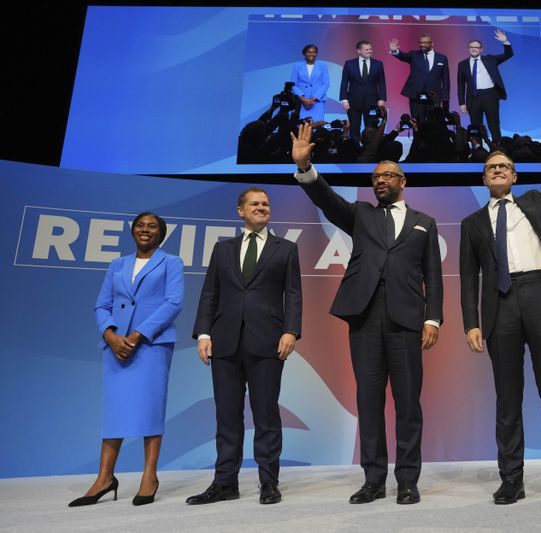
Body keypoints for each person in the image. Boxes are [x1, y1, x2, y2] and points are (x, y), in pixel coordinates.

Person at [290, 123, 443, 505]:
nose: (379, 181)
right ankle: (374, 479)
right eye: (375, 176)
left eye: (387, 175)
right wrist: (306, 167)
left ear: (402, 181)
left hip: (407, 320)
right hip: (365, 319)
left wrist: (433, 318)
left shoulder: (424, 222)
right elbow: (327, 200)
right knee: (369, 402)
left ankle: (407, 480)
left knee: (408, 404)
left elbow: (434, 278)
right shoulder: (361, 215)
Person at [459, 95, 541, 505]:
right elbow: (468, 277)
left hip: (540, 293)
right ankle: (511, 478)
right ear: (484, 179)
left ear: (514, 176)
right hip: (499, 305)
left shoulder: (538, 201)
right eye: (489, 168)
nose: (496, 171)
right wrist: (471, 322)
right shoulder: (472, 223)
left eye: (503, 167)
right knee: (507, 396)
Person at [187, 188, 302, 505]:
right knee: (227, 416)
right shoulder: (223, 249)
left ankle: (268, 482)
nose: (262, 207)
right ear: (240, 211)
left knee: (266, 415)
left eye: (266, 203)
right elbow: (210, 293)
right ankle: (225, 482)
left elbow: (293, 294)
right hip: (224, 342)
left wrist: (291, 330)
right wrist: (203, 334)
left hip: (267, 341)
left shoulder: (286, 249)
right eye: (255, 203)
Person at [69, 212, 184, 507]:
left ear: (162, 234)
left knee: (150, 408)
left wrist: (136, 336)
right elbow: (102, 304)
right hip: (116, 346)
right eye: (140, 226)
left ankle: (150, 477)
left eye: (152, 227)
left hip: (151, 344)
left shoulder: (171, 262)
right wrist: (110, 335)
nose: (145, 230)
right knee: (114, 411)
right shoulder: (117, 264)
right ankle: (104, 478)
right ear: (133, 232)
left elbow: (173, 303)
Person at [457, 29, 513, 144]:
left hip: (490, 96)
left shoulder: (490, 59)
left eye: (476, 47)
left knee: (494, 123)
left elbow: (508, 54)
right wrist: (462, 103)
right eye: (471, 47)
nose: (473, 49)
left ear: (481, 49)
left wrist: (505, 42)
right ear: (468, 49)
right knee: (475, 126)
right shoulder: (462, 64)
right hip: (473, 97)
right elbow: (461, 85)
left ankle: (497, 148)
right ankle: (478, 149)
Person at [389, 34, 450, 123]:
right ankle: (417, 137)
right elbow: (403, 56)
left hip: (434, 96)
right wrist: (394, 51)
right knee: (417, 122)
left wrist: (446, 97)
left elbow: (446, 79)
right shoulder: (414, 54)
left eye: (425, 42)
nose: (422, 45)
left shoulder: (442, 58)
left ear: (432, 44)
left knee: (434, 123)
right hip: (416, 95)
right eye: (420, 42)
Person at [340, 40, 387, 141]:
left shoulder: (378, 64)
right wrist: (344, 100)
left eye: (370, 49)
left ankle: (370, 152)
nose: (369, 51)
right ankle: (355, 151)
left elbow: (382, 82)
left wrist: (382, 98)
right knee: (354, 129)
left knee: (371, 130)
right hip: (353, 102)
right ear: (359, 51)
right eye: (366, 49)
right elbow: (344, 82)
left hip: (372, 102)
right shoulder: (349, 64)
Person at [290, 44, 330, 124]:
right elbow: (293, 84)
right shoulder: (297, 66)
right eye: (309, 52)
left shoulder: (323, 66)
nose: (312, 54)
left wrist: (313, 99)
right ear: (304, 53)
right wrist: (303, 99)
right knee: (301, 126)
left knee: (317, 125)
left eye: (314, 52)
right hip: (301, 102)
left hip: (317, 102)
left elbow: (326, 83)